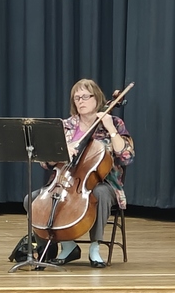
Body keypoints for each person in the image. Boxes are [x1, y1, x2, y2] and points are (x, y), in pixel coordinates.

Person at [26, 79, 134, 268]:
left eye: (85, 97)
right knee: (31, 199)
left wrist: (110, 129)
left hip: (104, 182)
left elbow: (126, 157)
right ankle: (68, 246)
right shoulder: (66, 125)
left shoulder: (114, 122)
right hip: (65, 182)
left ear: (96, 98)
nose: (80, 101)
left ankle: (95, 248)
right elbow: (45, 162)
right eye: (77, 98)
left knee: (99, 193)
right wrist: (62, 151)